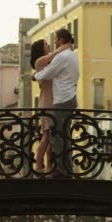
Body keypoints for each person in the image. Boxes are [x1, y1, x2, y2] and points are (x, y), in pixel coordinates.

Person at [33, 28, 79, 177]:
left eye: (55, 40)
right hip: (71, 98)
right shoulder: (72, 56)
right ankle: (68, 168)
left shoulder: (61, 57)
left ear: (60, 40)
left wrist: (35, 77)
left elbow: (48, 73)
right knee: (65, 135)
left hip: (61, 100)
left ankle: (60, 170)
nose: (53, 43)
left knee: (56, 136)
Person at [30, 39, 72, 172]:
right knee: (47, 136)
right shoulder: (40, 62)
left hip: (51, 100)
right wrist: (64, 47)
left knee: (51, 137)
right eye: (46, 45)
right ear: (41, 49)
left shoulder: (48, 63)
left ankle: (49, 166)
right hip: (47, 101)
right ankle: (38, 165)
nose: (49, 46)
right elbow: (53, 56)